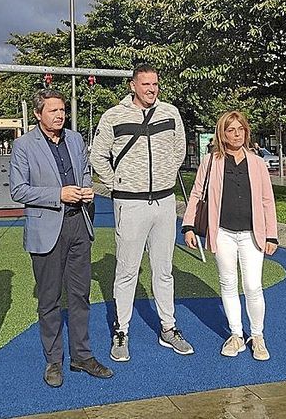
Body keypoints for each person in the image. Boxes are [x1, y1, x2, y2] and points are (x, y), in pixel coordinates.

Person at [9, 89, 114, 388]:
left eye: (62, 110)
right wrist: (58, 194)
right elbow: (18, 190)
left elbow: (84, 172)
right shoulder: (23, 146)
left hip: (78, 225)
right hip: (46, 230)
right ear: (38, 114)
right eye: (53, 110)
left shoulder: (76, 139)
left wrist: (85, 189)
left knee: (80, 295)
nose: (59, 115)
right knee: (50, 300)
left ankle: (82, 355)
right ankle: (53, 361)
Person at [90, 63, 192, 362]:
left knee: (163, 270)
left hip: (163, 202)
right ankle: (121, 330)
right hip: (130, 203)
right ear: (132, 86)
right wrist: (115, 184)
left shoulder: (170, 113)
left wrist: (166, 175)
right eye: (145, 84)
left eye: (155, 84)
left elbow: (179, 149)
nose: (151, 89)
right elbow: (98, 154)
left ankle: (168, 327)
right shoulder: (114, 116)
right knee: (127, 270)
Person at [181, 110, 278, 361]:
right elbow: (196, 194)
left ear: (246, 132)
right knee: (228, 283)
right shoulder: (212, 161)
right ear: (222, 134)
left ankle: (257, 335)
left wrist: (271, 235)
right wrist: (189, 226)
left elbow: (267, 200)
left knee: (253, 286)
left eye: (241, 129)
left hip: (251, 234)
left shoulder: (256, 163)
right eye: (231, 130)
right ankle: (236, 334)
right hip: (222, 232)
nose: (236, 134)